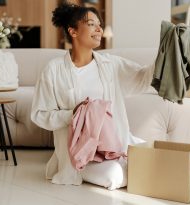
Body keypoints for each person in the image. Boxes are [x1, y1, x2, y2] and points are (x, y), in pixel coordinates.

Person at [30, 3, 155, 188]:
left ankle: (124, 162)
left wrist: (164, 55)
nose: (99, 29)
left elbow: (143, 79)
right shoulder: (53, 70)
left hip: (113, 145)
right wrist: (76, 114)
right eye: (91, 24)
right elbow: (39, 114)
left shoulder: (110, 64)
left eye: (99, 24)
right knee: (116, 176)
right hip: (80, 154)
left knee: (155, 158)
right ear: (73, 31)